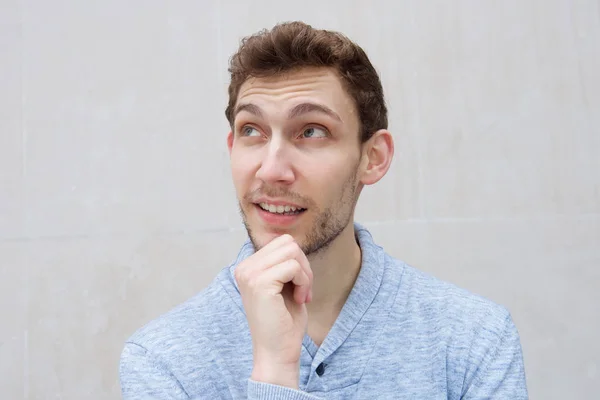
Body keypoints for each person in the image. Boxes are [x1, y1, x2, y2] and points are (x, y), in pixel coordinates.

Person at [119, 21, 528, 399]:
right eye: (252, 131)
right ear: (232, 149)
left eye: (311, 131)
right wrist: (275, 372)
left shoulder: (475, 341)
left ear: (373, 157)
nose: (272, 169)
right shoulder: (162, 362)